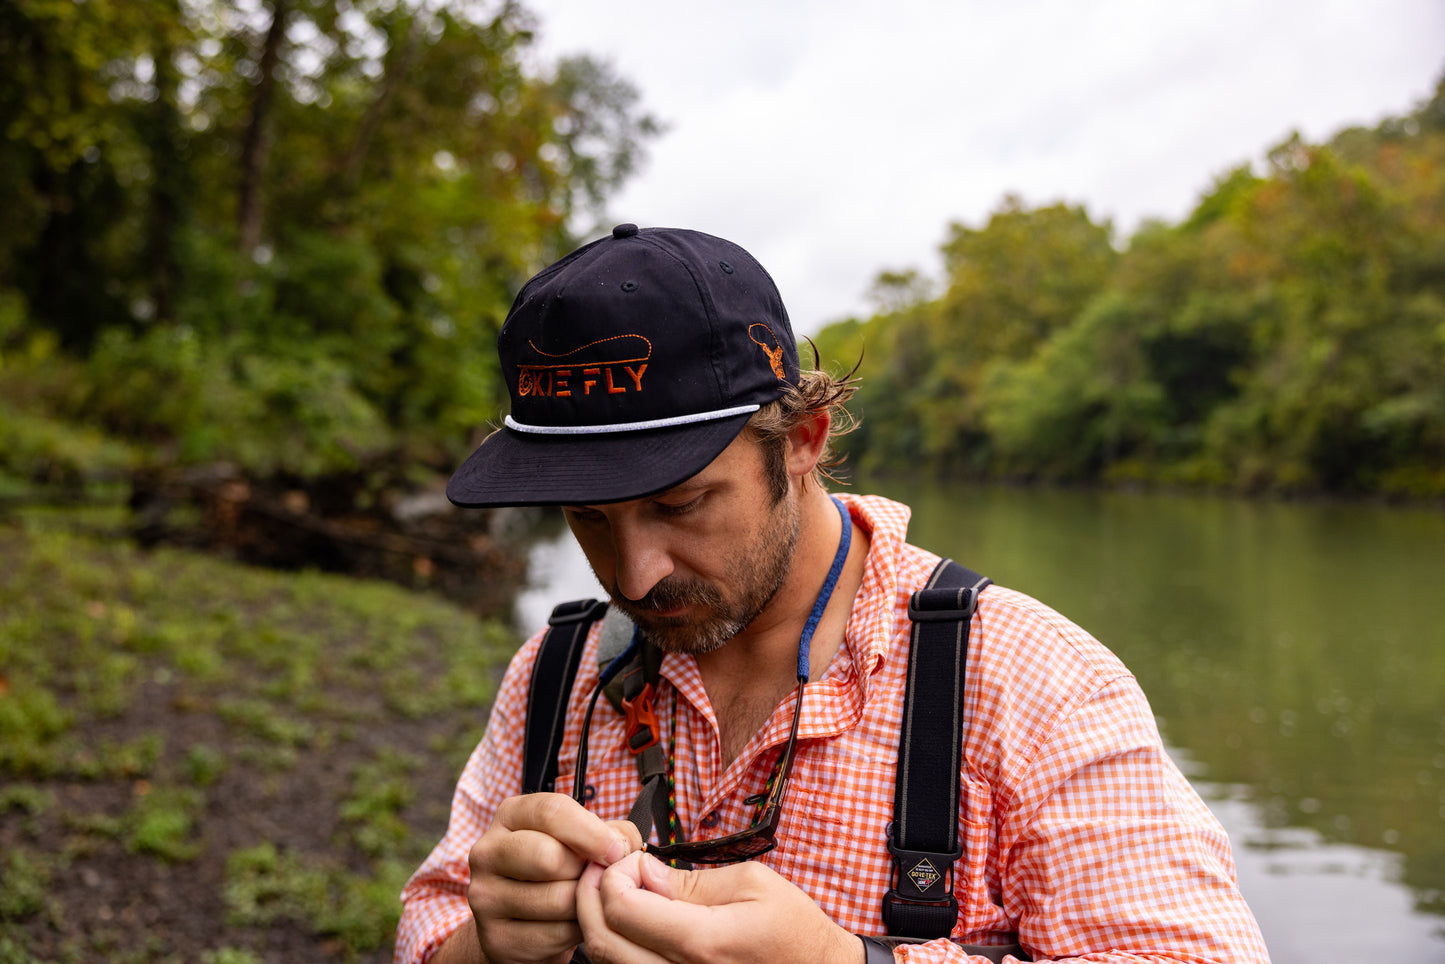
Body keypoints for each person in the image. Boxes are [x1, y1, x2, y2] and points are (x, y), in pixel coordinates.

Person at [395, 224, 1270, 964]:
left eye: (680, 504)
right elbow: (428, 927)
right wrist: (487, 942)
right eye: (586, 518)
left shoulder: (1036, 688)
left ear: (802, 440)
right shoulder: (554, 673)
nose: (633, 576)